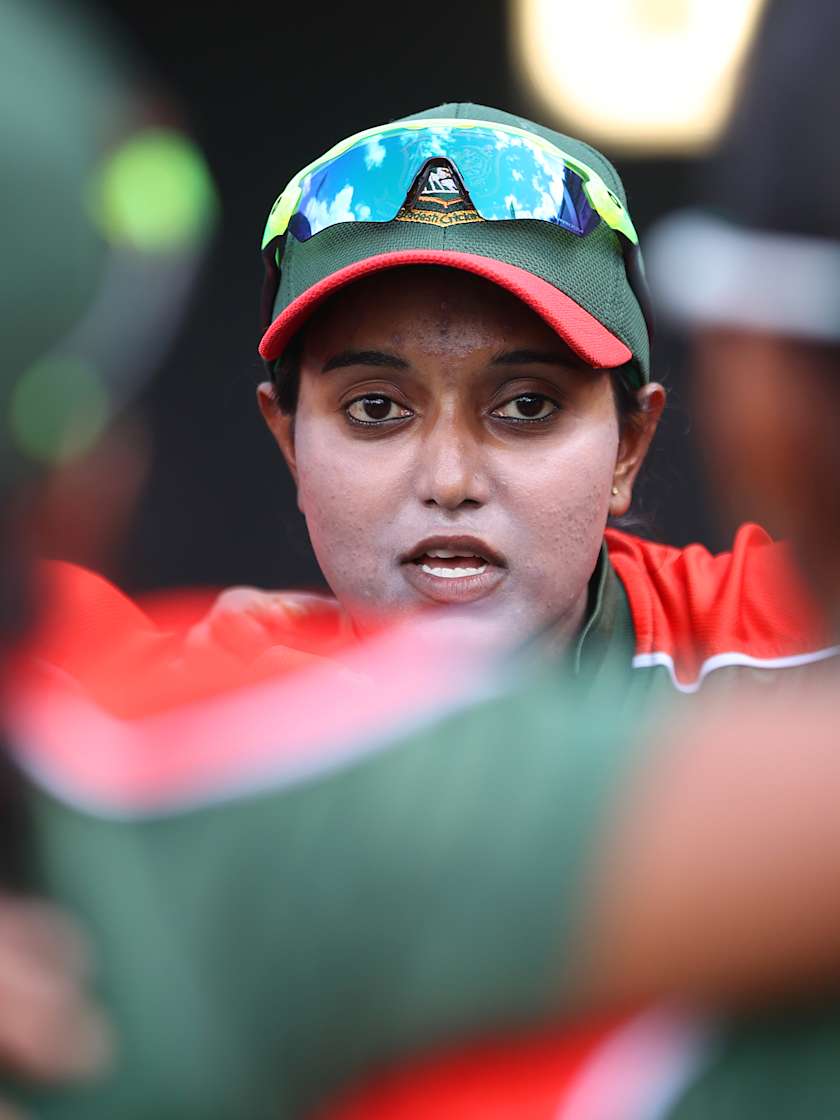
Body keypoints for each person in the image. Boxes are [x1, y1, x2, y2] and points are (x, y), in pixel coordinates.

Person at [189, 104, 833, 702]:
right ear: (290, 444)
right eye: (376, 409)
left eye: (527, 406)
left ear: (628, 449)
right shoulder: (197, 730)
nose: (450, 482)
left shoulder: (798, 653)